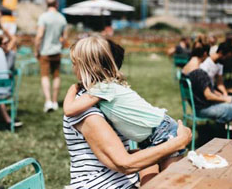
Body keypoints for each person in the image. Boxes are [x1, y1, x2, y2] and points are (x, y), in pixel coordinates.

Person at [63, 38, 192, 188]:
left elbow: (124, 160)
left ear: (84, 67)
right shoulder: (85, 106)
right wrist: (178, 142)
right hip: (98, 185)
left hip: (121, 178)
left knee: (174, 181)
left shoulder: (101, 92)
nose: (73, 69)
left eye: (74, 64)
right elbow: (124, 164)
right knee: (174, 182)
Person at [34, 0, 67, 112]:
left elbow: (39, 36)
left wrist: (36, 50)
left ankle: (48, 102)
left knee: (45, 77)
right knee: (56, 76)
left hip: (45, 52)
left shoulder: (43, 17)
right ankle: (55, 102)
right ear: (57, 3)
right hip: (57, 52)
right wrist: (60, 46)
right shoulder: (62, 18)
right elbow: (64, 38)